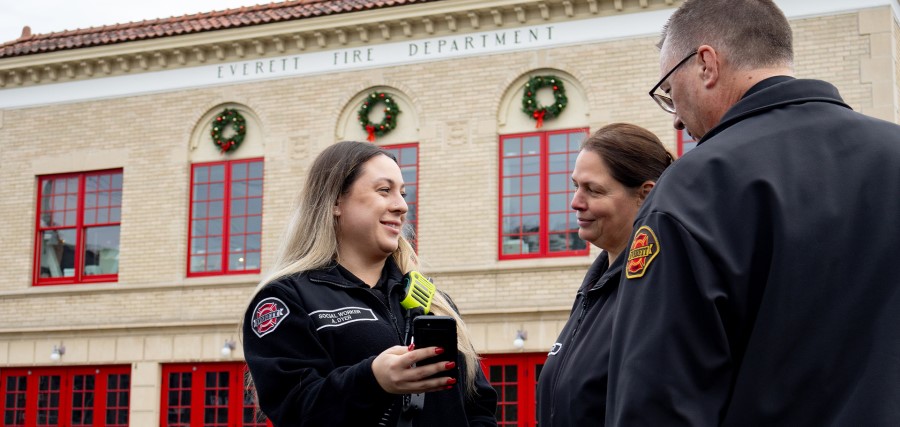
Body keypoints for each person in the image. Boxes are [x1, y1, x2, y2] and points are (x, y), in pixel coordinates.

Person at [607, 0, 900, 425]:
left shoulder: (695, 187)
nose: (676, 120)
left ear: (706, 64)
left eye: (670, 92)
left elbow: (657, 399)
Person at [242, 141, 497, 426]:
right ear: (335, 202)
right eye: (384, 190)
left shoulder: (434, 301)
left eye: (402, 193)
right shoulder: (286, 299)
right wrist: (373, 380)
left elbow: (479, 406)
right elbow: (295, 408)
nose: (401, 206)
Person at [536, 123, 673, 426]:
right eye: (576, 186)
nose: (575, 202)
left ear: (646, 196)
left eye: (593, 190)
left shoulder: (656, 291)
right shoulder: (595, 289)